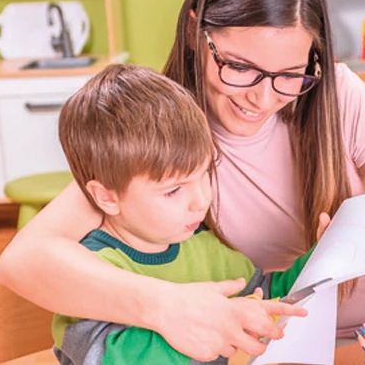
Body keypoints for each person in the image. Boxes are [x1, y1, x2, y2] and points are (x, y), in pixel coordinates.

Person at [0, 0, 365, 360]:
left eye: (290, 74)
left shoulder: (336, 95)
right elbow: (25, 261)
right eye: (239, 67)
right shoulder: (163, 134)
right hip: (301, 349)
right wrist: (164, 307)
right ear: (196, 29)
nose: (262, 98)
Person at [51, 64, 309, 365]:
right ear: (107, 197)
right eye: (173, 191)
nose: (201, 201)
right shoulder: (91, 272)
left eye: (205, 175)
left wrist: (325, 259)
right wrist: (214, 323)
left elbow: (266, 294)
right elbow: (112, 358)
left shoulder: (205, 247)